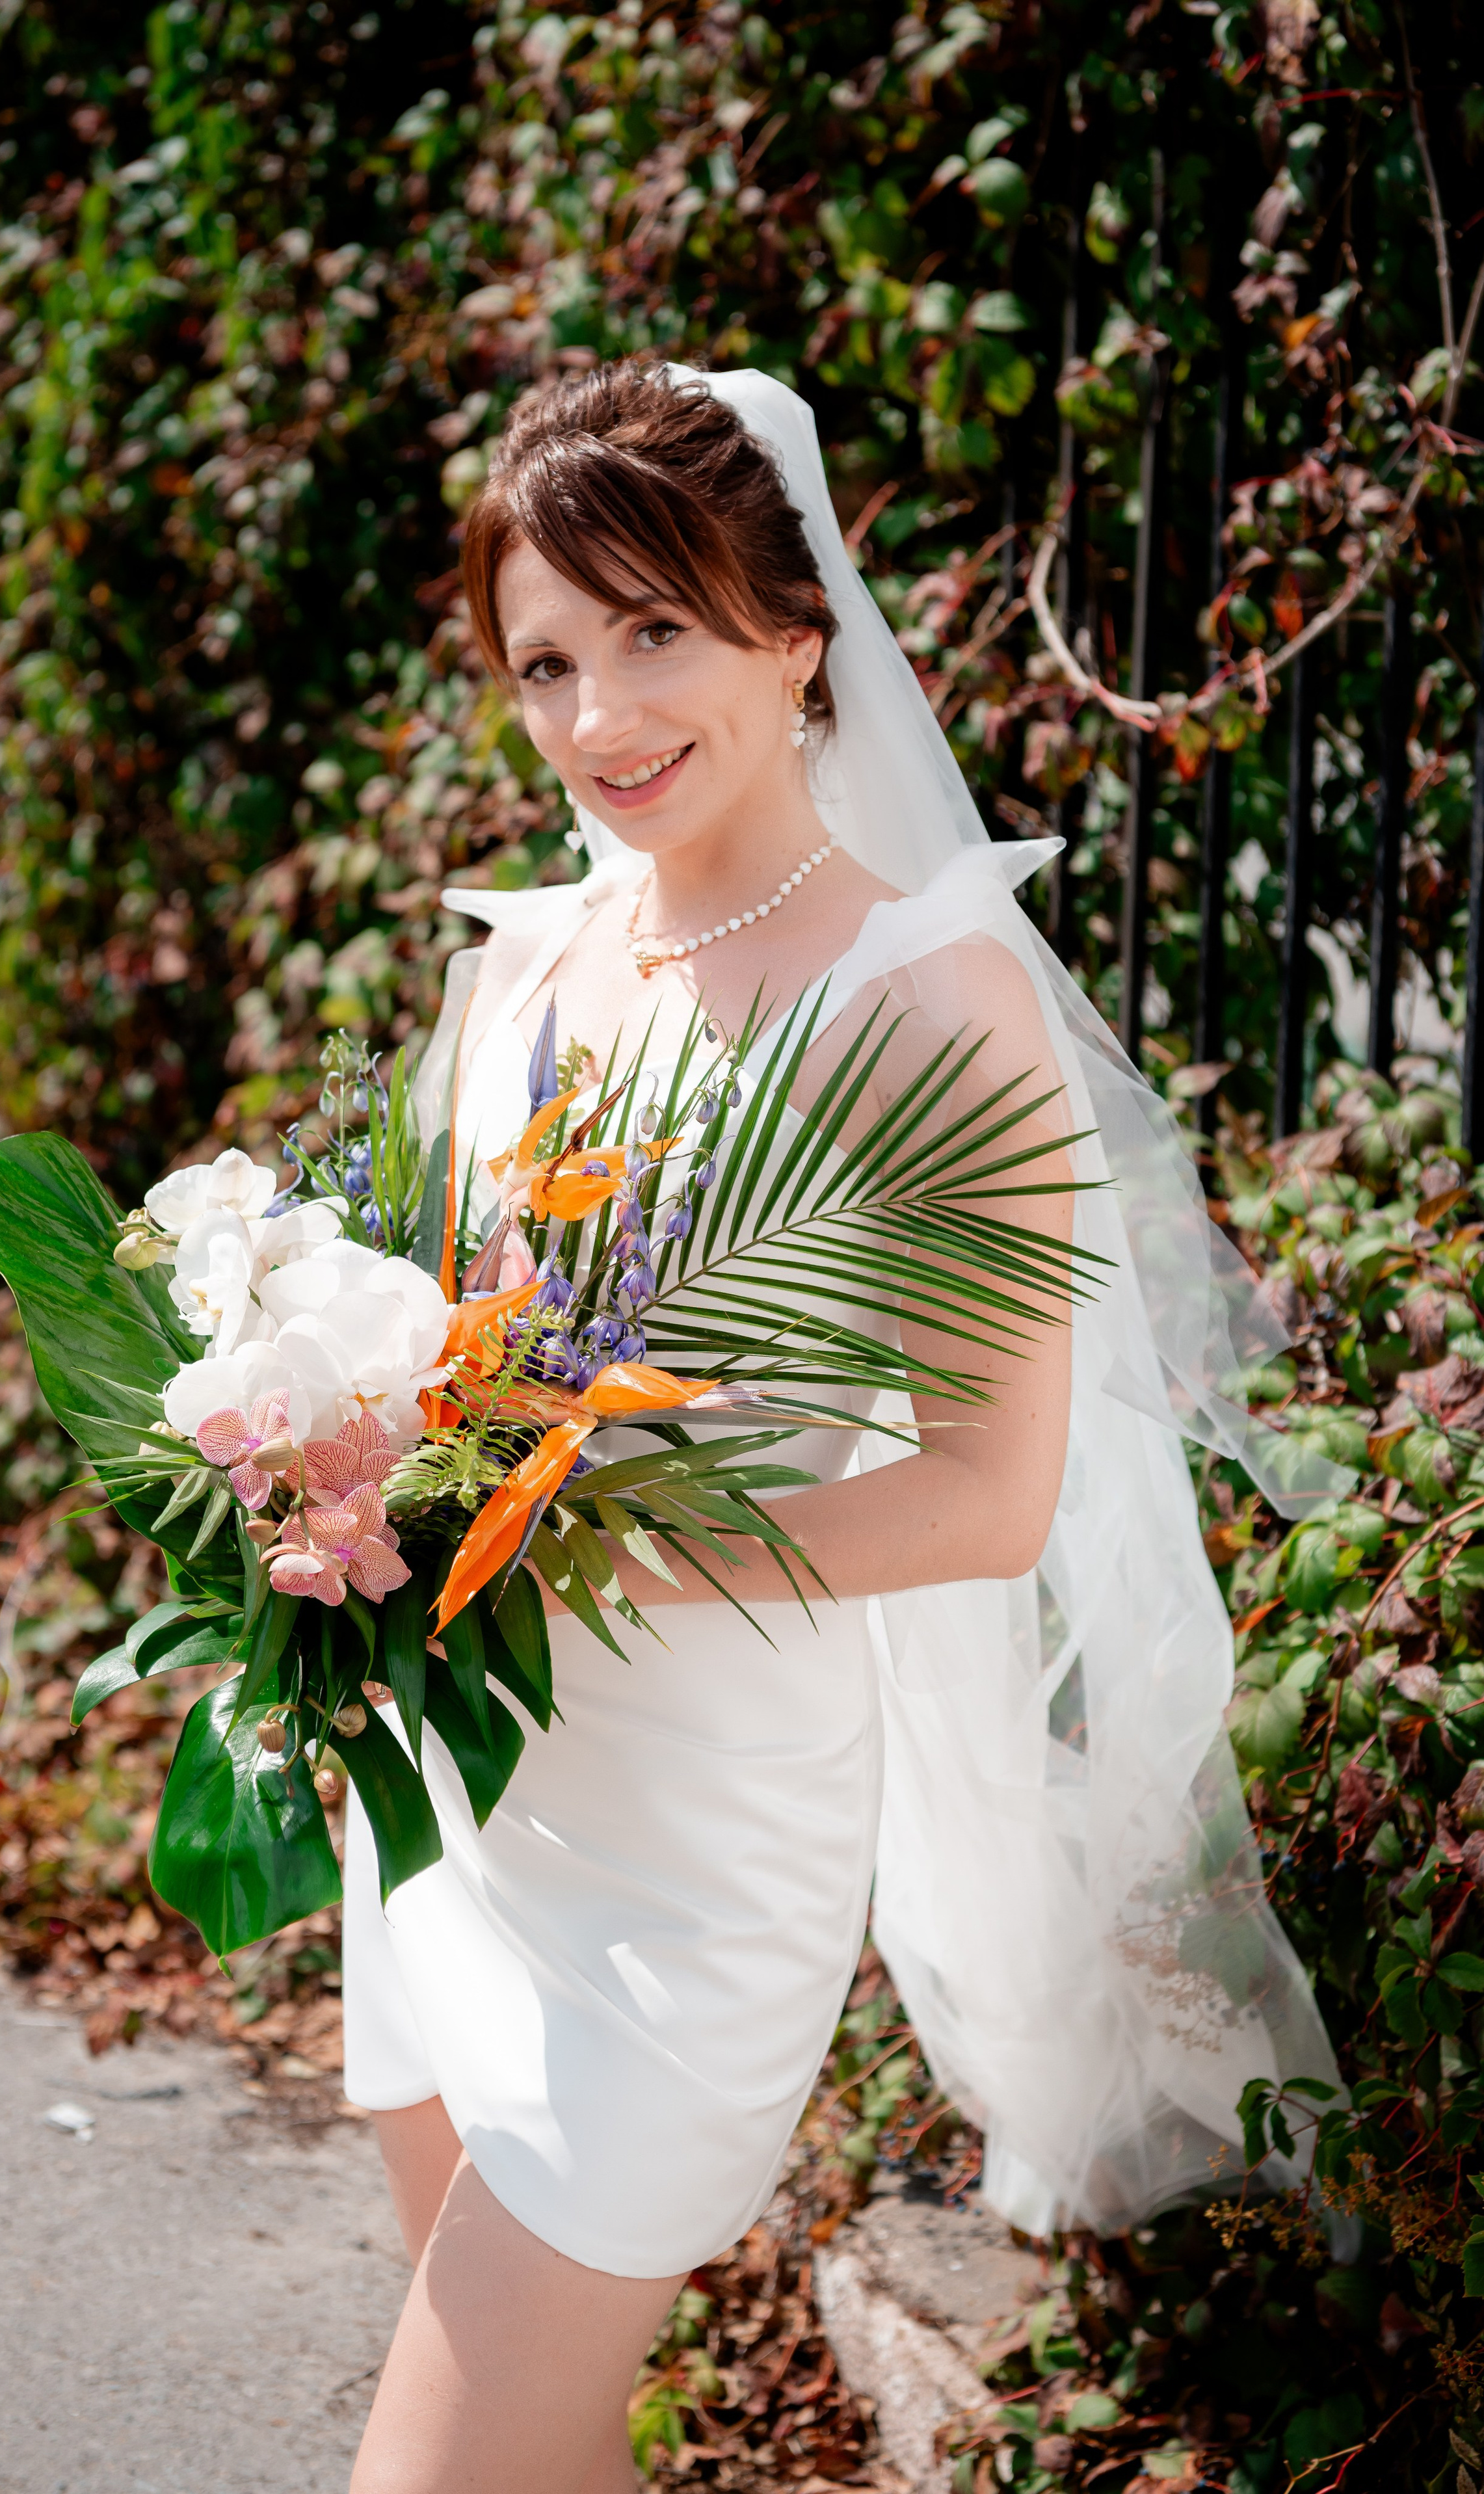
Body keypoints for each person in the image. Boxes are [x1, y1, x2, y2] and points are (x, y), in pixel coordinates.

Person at [341, 362, 1342, 2494]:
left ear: (796, 632)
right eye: (544, 657)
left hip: (692, 1854)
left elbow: (989, 1495)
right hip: (449, 1808)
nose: (597, 711)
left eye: (654, 630)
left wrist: (604, 1541)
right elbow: (440, 1361)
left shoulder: (926, 993)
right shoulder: (523, 970)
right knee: (532, 2454)